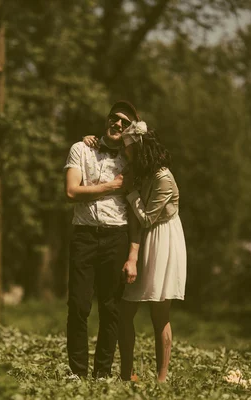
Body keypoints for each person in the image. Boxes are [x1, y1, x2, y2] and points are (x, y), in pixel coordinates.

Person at [83, 120, 187, 382]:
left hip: (162, 239)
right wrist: (90, 139)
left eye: (129, 148)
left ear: (141, 149)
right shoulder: (142, 171)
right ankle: (126, 373)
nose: (125, 152)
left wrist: (129, 192)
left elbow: (147, 218)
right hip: (140, 239)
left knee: (159, 312)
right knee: (126, 309)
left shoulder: (163, 178)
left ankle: (161, 380)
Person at [63, 101, 141, 379]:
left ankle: (103, 374)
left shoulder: (131, 161)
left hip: (115, 236)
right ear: (106, 121)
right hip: (84, 234)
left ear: (130, 130)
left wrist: (133, 254)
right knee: (79, 305)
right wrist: (110, 187)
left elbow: (134, 214)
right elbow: (71, 192)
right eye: (114, 118)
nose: (118, 124)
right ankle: (77, 372)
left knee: (111, 308)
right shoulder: (81, 149)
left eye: (125, 122)